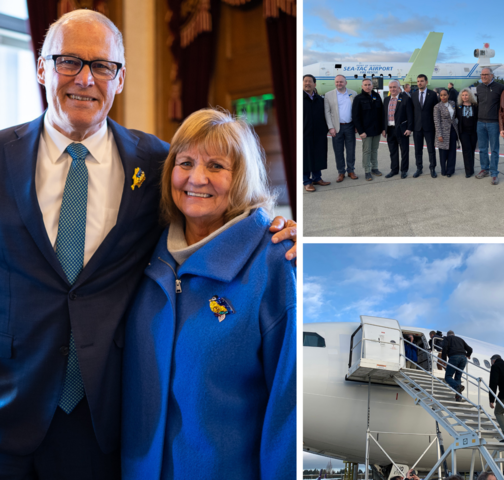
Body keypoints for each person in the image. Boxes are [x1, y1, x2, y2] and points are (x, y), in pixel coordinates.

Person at [0, 10, 296, 479]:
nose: (85, 79)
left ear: (119, 80)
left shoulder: (156, 163)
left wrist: (287, 231)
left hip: (105, 427)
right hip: (9, 410)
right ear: (41, 68)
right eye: (69, 61)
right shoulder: (1, 156)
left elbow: (222, 204)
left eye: (101, 66)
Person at [121, 108, 296, 479]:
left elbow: (289, 410)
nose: (196, 178)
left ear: (241, 178)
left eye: (216, 166)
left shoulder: (277, 262)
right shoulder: (144, 250)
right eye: (185, 162)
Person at [325, 74, 358, 182]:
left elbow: (357, 112)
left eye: (341, 82)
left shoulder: (353, 93)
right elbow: (327, 112)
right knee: (338, 151)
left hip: (350, 126)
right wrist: (331, 127)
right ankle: (341, 172)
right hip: (336, 127)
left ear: (345, 83)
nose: (339, 84)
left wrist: (357, 125)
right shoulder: (329, 95)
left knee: (351, 150)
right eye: (337, 82)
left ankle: (351, 170)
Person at [475, 67, 504, 185]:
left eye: (486, 74)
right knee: (482, 149)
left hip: (494, 123)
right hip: (480, 122)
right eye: (482, 75)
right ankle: (484, 169)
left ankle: (494, 173)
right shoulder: (479, 87)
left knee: (494, 149)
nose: (483, 77)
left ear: (492, 75)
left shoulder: (500, 87)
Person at [352, 78, 384, 181]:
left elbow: (382, 113)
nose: (367, 86)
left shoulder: (377, 96)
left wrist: (383, 128)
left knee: (374, 150)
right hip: (366, 131)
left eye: (369, 84)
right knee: (367, 151)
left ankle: (375, 168)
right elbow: (355, 116)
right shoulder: (358, 98)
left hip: (377, 129)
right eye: (365, 85)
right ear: (362, 86)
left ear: (372, 85)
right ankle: (367, 171)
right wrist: (361, 131)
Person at [303, 74, 330, 192]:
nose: (307, 83)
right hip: (304, 134)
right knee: (305, 158)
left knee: (317, 156)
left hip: (319, 134)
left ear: (315, 84)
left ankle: (317, 178)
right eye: (305, 81)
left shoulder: (320, 99)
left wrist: (325, 130)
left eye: (309, 81)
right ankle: (307, 182)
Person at [382, 80, 413, 178]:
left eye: (394, 87)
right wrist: (383, 129)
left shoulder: (406, 99)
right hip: (390, 130)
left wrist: (409, 128)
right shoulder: (386, 99)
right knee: (393, 151)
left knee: (404, 151)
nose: (392, 89)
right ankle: (394, 170)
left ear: (399, 88)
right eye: (390, 87)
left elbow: (410, 115)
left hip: (402, 129)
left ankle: (404, 170)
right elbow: (384, 116)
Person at [411, 74, 439, 178]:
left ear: (426, 82)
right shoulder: (413, 95)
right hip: (417, 127)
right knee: (418, 149)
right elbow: (412, 112)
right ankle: (419, 168)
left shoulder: (432, 95)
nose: (419, 83)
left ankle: (432, 168)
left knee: (431, 149)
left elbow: (436, 111)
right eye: (418, 81)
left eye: (422, 81)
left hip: (429, 127)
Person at [433, 88, 461, 177]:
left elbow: (455, 116)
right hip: (443, 131)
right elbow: (436, 121)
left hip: (453, 130)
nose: (443, 97)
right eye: (441, 95)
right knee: (443, 152)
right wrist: (439, 134)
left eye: (445, 95)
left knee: (452, 152)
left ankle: (450, 170)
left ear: (448, 95)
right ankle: (443, 170)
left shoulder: (452, 103)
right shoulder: (437, 107)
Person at [440, 330, 472, 401]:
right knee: (458, 377)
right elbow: (470, 349)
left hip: (454, 357)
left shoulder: (447, 338)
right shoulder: (460, 339)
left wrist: (443, 360)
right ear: (454, 334)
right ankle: (458, 396)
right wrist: (468, 355)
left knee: (448, 377)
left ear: (448, 335)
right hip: (463, 359)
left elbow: (445, 347)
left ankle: (457, 386)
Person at [456, 88, 478, 178]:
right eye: (463, 95)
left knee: (472, 150)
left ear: (470, 96)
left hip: (473, 131)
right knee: (466, 150)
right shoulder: (459, 107)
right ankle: (468, 171)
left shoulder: (475, 106)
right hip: (463, 132)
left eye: (466, 95)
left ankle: (471, 168)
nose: (465, 97)